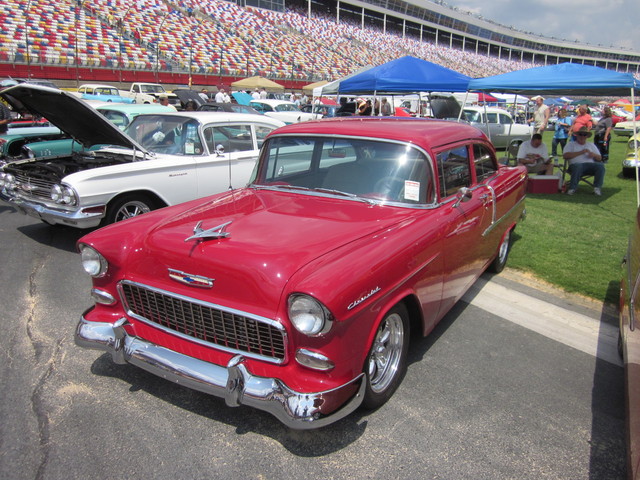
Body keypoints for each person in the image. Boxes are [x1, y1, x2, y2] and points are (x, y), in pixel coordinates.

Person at [562, 127, 604, 196]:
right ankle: (572, 188)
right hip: (574, 166)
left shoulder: (591, 145)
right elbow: (565, 156)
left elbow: (599, 158)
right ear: (577, 135)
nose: (582, 136)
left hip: (590, 166)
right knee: (578, 166)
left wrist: (593, 155)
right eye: (580, 134)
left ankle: (597, 188)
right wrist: (581, 152)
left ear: (587, 136)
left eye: (584, 135)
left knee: (600, 166)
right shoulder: (570, 144)